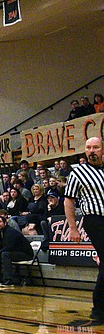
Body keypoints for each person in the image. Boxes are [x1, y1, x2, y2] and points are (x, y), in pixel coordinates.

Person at [63, 136, 104, 324]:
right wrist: (73, 227)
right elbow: (68, 200)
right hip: (95, 220)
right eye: (88, 147)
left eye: (95, 147)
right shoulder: (78, 172)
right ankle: (98, 310)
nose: (92, 150)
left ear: (102, 149)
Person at [0, 213, 34, 286]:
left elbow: (9, 247)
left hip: (25, 254)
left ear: (5, 223)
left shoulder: (10, 232)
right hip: (14, 252)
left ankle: (8, 280)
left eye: (0, 222)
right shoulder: (0, 232)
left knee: (5, 254)